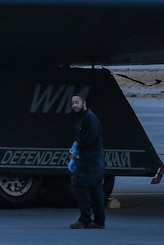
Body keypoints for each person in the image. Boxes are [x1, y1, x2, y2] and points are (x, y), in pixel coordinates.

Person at [67, 94, 105, 229]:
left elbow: (90, 138)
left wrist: (78, 146)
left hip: (91, 159)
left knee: (79, 183)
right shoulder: (82, 118)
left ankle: (85, 218)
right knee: (95, 188)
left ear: (84, 103)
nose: (74, 106)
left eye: (77, 102)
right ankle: (99, 220)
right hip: (91, 158)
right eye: (72, 103)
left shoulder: (90, 118)